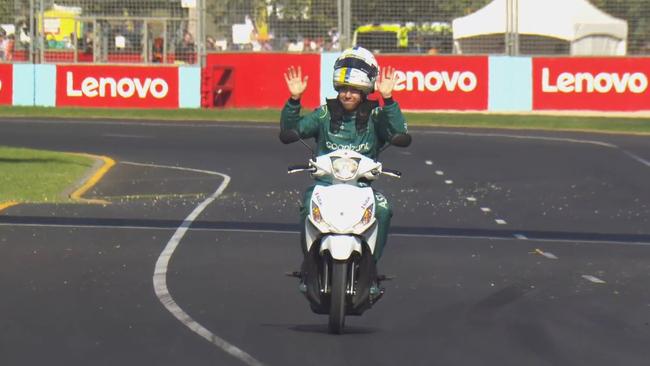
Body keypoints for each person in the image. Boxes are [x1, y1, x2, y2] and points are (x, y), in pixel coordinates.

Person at [280, 46, 409, 262]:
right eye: (342, 89)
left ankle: (371, 267)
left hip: (362, 188)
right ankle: (309, 263)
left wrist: (388, 100)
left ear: (365, 91)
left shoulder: (376, 115)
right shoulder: (324, 113)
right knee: (307, 202)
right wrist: (294, 100)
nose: (347, 94)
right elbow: (290, 132)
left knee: (384, 209)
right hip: (325, 185)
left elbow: (400, 133)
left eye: (354, 89)